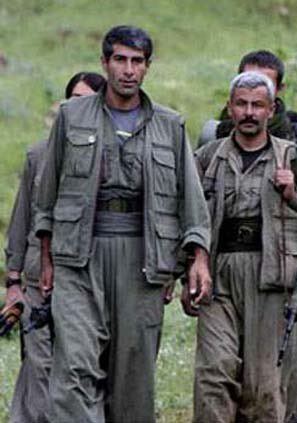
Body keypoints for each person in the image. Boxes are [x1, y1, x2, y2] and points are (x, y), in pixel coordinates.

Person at [34, 25, 212, 422]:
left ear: (147, 67)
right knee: (74, 368)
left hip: (142, 260)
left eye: (137, 61)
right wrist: (46, 260)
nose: (128, 70)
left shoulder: (170, 125)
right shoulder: (72, 116)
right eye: (120, 60)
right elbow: (46, 197)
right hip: (79, 257)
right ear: (105, 63)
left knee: (133, 379)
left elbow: (191, 200)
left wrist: (197, 259)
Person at [191, 72, 297, 422]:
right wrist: (187, 271)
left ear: (271, 109)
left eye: (257, 105)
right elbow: (186, 218)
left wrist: (296, 196)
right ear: (229, 107)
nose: (249, 113)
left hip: (274, 281)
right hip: (219, 278)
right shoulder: (208, 158)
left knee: (266, 389)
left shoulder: (293, 158)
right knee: (213, 375)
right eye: (241, 104)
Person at [3, 71, 105, 423]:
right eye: (73, 100)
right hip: (37, 280)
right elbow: (22, 220)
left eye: (86, 101)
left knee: (79, 368)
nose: (77, 108)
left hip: (87, 277)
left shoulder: (110, 155)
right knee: (38, 366)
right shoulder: (39, 154)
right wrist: (13, 281)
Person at [199, 50, 297, 151]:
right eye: (247, 81)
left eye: (265, 84)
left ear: (279, 89)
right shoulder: (212, 137)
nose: (254, 88)